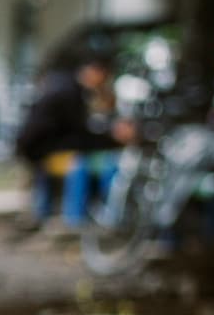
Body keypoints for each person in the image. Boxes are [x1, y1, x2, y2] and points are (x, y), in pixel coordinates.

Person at [10, 48, 128, 234]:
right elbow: (79, 135)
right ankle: (74, 220)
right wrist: (112, 140)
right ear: (96, 71)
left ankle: (51, 214)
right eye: (105, 76)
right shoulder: (69, 92)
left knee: (86, 162)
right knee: (81, 164)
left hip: (40, 147)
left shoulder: (68, 86)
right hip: (42, 149)